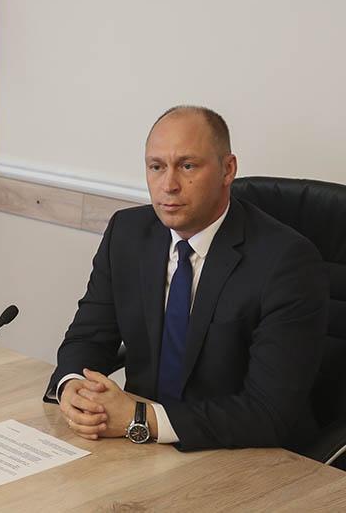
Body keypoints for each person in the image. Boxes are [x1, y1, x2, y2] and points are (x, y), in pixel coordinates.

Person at [45, 105, 328, 452]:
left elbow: (268, 413)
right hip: (139, 446)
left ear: (228, 170)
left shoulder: (287, 261)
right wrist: (72, 387)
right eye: (156, 167)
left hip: (243, 455)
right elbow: (88, 337)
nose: (169, 185)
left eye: (187, 166)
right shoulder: (127, 233)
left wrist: (140, 418)